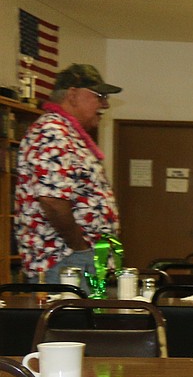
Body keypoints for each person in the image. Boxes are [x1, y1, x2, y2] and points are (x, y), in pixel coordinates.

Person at [15, 64, 121, 285]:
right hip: (65, 262)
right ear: (72, 94)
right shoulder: (52, 132)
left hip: (79, 260)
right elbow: (52, 200)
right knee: (73, 320)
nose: (105, 104)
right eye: (99, 96)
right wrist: (80, 246)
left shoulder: (68, 134)